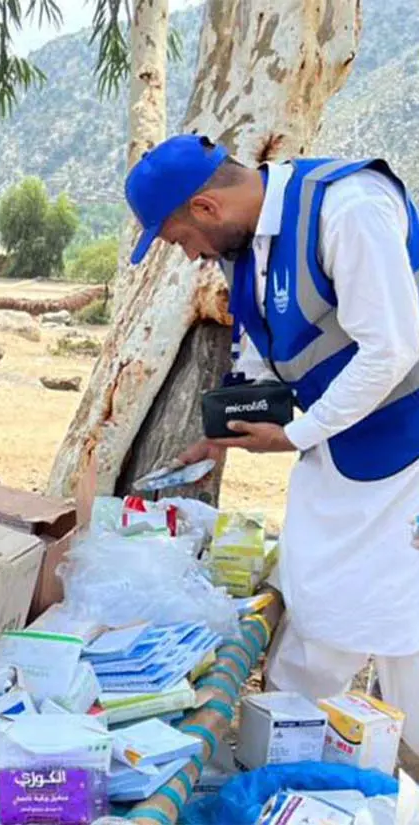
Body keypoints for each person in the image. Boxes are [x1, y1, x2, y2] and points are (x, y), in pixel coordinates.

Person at [126, 134, 419, 748]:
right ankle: (285, 745)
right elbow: (266, 347)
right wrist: (226, 429)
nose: (187, 256)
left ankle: (381, 759)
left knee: (397, 617)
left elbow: (392, 349)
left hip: (405, 444)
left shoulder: (349, 208)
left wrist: (293, 435)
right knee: (315, 591)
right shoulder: (248, 243)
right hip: (342, 444)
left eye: (180, 240)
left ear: (206, 208)